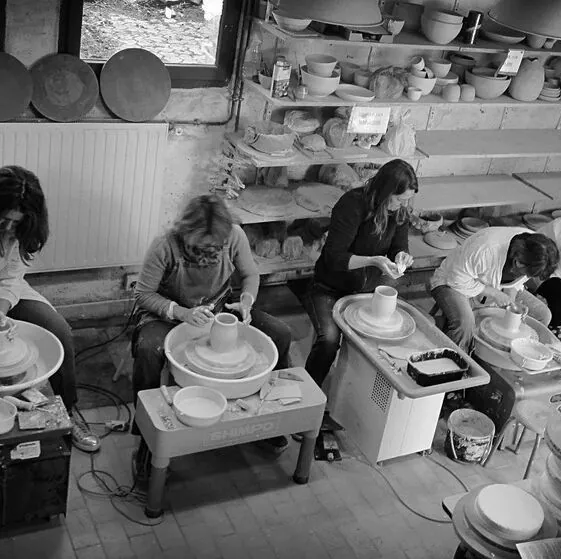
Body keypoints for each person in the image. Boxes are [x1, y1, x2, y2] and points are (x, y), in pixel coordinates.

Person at [131, 194, 293, 475]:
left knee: (280, 333)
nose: (208, 251)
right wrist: (181, 313)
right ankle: (147, 434)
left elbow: (250, 275)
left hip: (216, 310)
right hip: (168, 314)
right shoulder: (165, 245)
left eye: (214, 245)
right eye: (201, 245)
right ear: (186, 232)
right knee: (148, 351)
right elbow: (143, 294)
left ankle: (267, 417)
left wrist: (246, 300)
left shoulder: (235, 236)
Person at [0, 165, 99, 452]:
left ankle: (67, 412)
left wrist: (2, 309)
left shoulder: (20, 231)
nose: (8, 229)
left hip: (7, 295)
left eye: (15, 224)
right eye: (4, 220)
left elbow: (11, 278)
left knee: (58, 330)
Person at [302, 159, 418, 388]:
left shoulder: (399, 212)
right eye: (399, 199)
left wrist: (402, 257)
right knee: (329, 340)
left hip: (366, 290)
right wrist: (373, 261)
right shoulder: (353, 205)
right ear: (385, 191)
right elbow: (334, 257)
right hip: (329, 286)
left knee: (377, 343)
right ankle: (309, 394)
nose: (402, 204)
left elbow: (399, 246)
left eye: (407, 200)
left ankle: (354, 394)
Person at [430, 227, 560, 351]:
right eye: (526, 273)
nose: (526, 277)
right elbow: (456, 280)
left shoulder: (536, 252)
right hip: (453, 282)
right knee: (465, 324)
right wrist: (495, 294)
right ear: (517, 262)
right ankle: (459, 364)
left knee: (543, 315)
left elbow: (515, 284)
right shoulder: (485, 249)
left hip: (496, 288)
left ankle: (504, 359)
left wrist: (511, 304)